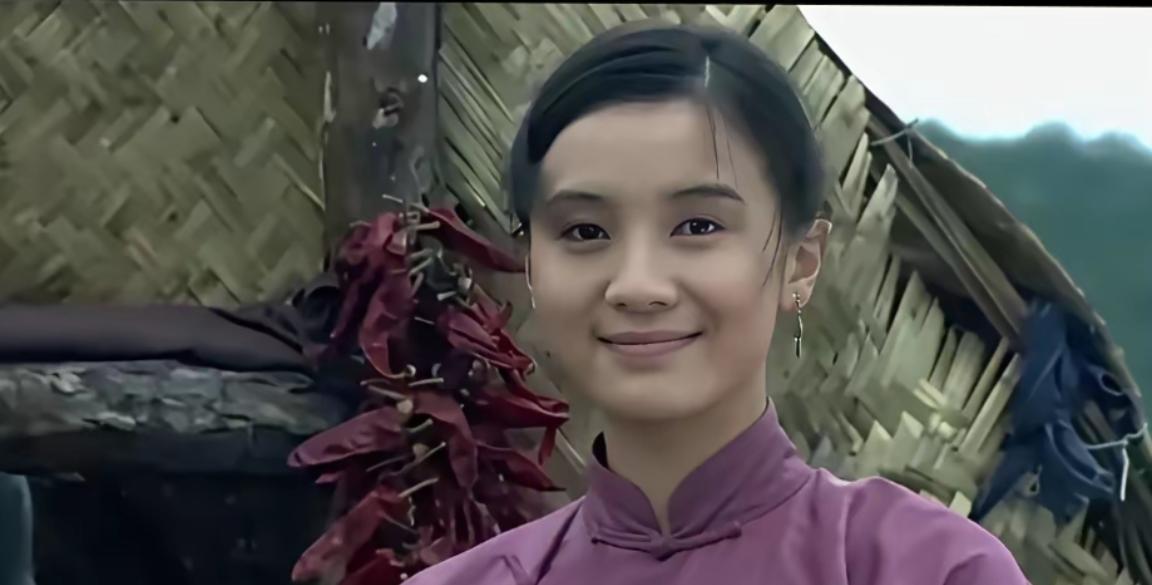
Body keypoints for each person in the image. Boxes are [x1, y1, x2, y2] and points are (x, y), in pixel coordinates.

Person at [408, 22, 1029, 585]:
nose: (637, 285)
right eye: (585, 231)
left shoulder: (926, 568)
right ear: (532, 267)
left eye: (698, 226)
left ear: (800, 262)